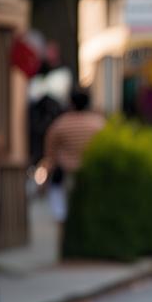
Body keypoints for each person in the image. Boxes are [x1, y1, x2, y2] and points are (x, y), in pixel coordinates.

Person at [41, 88, 106, 226]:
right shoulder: (98, 124)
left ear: (71, 103)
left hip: (65, 176)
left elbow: (50, 154)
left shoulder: (60, 124)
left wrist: (45, 179)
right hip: (91, 175)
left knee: (62, 217)